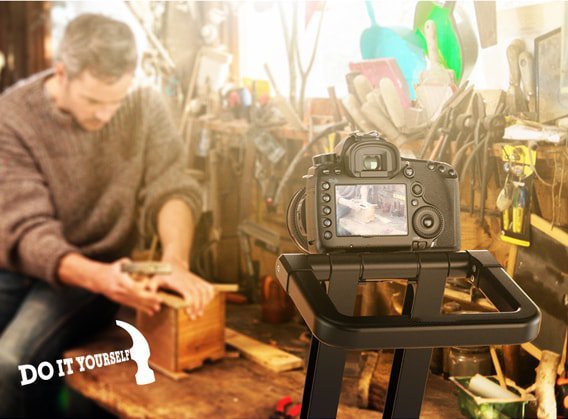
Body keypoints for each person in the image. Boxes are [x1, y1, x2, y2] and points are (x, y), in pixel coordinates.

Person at [0, 13, 214, 416]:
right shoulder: (12, 117)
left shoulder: (144, 103)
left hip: (97, 267)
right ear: (61, 73)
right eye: (94, 101)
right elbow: (28, 233)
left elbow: (172, 186)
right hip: (25, 265)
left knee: (10, 364)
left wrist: (174, 261)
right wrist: (102, 279)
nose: (105, 115)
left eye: (116, 101)